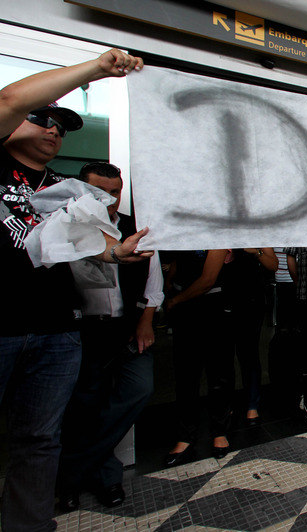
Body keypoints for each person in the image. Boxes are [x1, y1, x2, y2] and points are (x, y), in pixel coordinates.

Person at [0, 49, 149, 531]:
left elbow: (86, 249)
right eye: (42, 120)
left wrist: (116, 254)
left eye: (61, 128)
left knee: (40, 440)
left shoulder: (65, 189)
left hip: (55, 331)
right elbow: (10, 97)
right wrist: (96, 70)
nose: (53, 131)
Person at [57, 162, 163, 512]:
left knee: (139, 389)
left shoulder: (136, 228)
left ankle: (71, 472)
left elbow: (154, 281)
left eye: (114, 193)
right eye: (98, 193)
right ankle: (103, 476)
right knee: (86, 403)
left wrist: (147, 319)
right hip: (86, 328)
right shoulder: (67, 226)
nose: (108, 200)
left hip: (130, 325)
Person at [163, 249, 234, 466]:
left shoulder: (218, 228)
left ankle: (219, 431)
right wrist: (168, 285)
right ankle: (185, 436)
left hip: (212, 307)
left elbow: (208, 279)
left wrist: (175, 301)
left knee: (218, 372)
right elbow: (175, 265)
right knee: (186, 374)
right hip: (185, 310)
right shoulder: (184, 230)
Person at [223, 248, 277, 426]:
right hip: (224, 298)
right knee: (225, 355)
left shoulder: (256, 231)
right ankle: (226, 406)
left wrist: (256, 252)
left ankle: (252, 405)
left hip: (251, 300)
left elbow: (273, 264)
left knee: (249, 354)